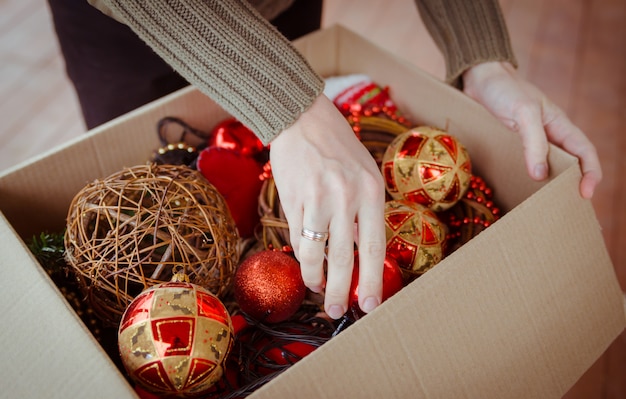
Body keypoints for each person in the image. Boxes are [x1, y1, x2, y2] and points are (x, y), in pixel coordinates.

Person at [49, 0, 601, 321]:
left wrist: (482, 59)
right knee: (143, 193)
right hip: (134, 25)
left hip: (277, 11)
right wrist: (287, 104)